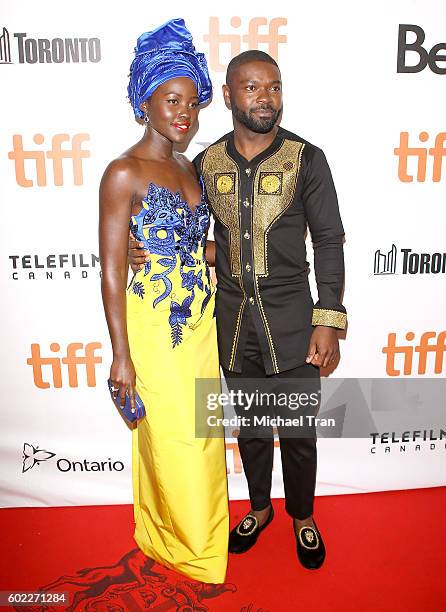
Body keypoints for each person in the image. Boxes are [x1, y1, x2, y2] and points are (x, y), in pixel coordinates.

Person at [129, 50, 347, 570]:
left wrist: (328, 318)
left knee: (297, 434)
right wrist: (142, 250)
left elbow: (331, 240)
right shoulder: (207, 165)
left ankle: (303, 516)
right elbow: (198, 241)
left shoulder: (306, 159)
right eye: (251, 88)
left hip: (294, 324)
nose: (264, 97)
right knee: (249, 430)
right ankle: (258, 508)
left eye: (273, 87)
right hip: (229, 328)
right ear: (228, 96)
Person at [99, 19, 228, 584]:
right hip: (156, 327)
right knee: (177, 437)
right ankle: (194, 548)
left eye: (193, 102)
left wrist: (211, 251)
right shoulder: (123, 172)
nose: (185, 114)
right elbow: (108, 268)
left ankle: (162, 528)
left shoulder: (189, 169)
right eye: (171, 100)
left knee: (203, 435)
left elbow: (199, 243)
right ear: (143, 102)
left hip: (202, 325)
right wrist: (121, 355)